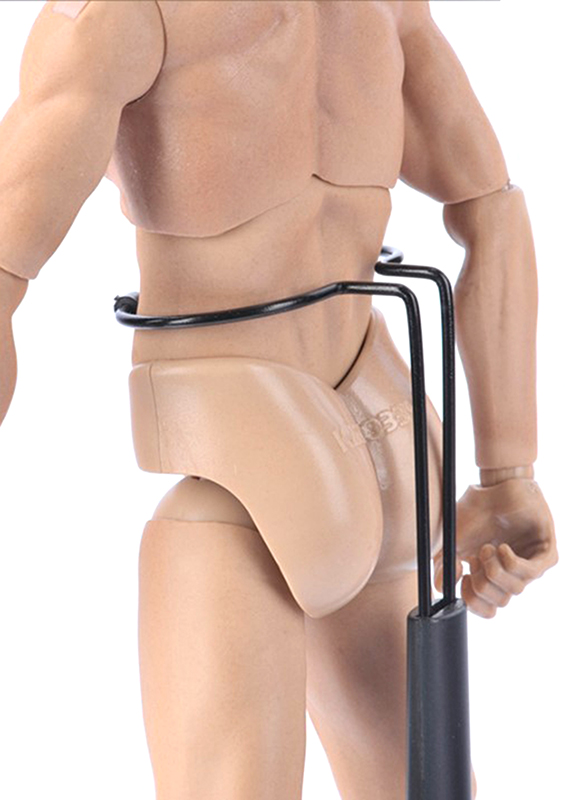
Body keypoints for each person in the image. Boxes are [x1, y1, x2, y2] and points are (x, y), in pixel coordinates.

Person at [0, 2, 557, 797]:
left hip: (282, 451)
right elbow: (491, 209)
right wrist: (508, 474)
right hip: (355, 440)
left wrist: (510, 473)